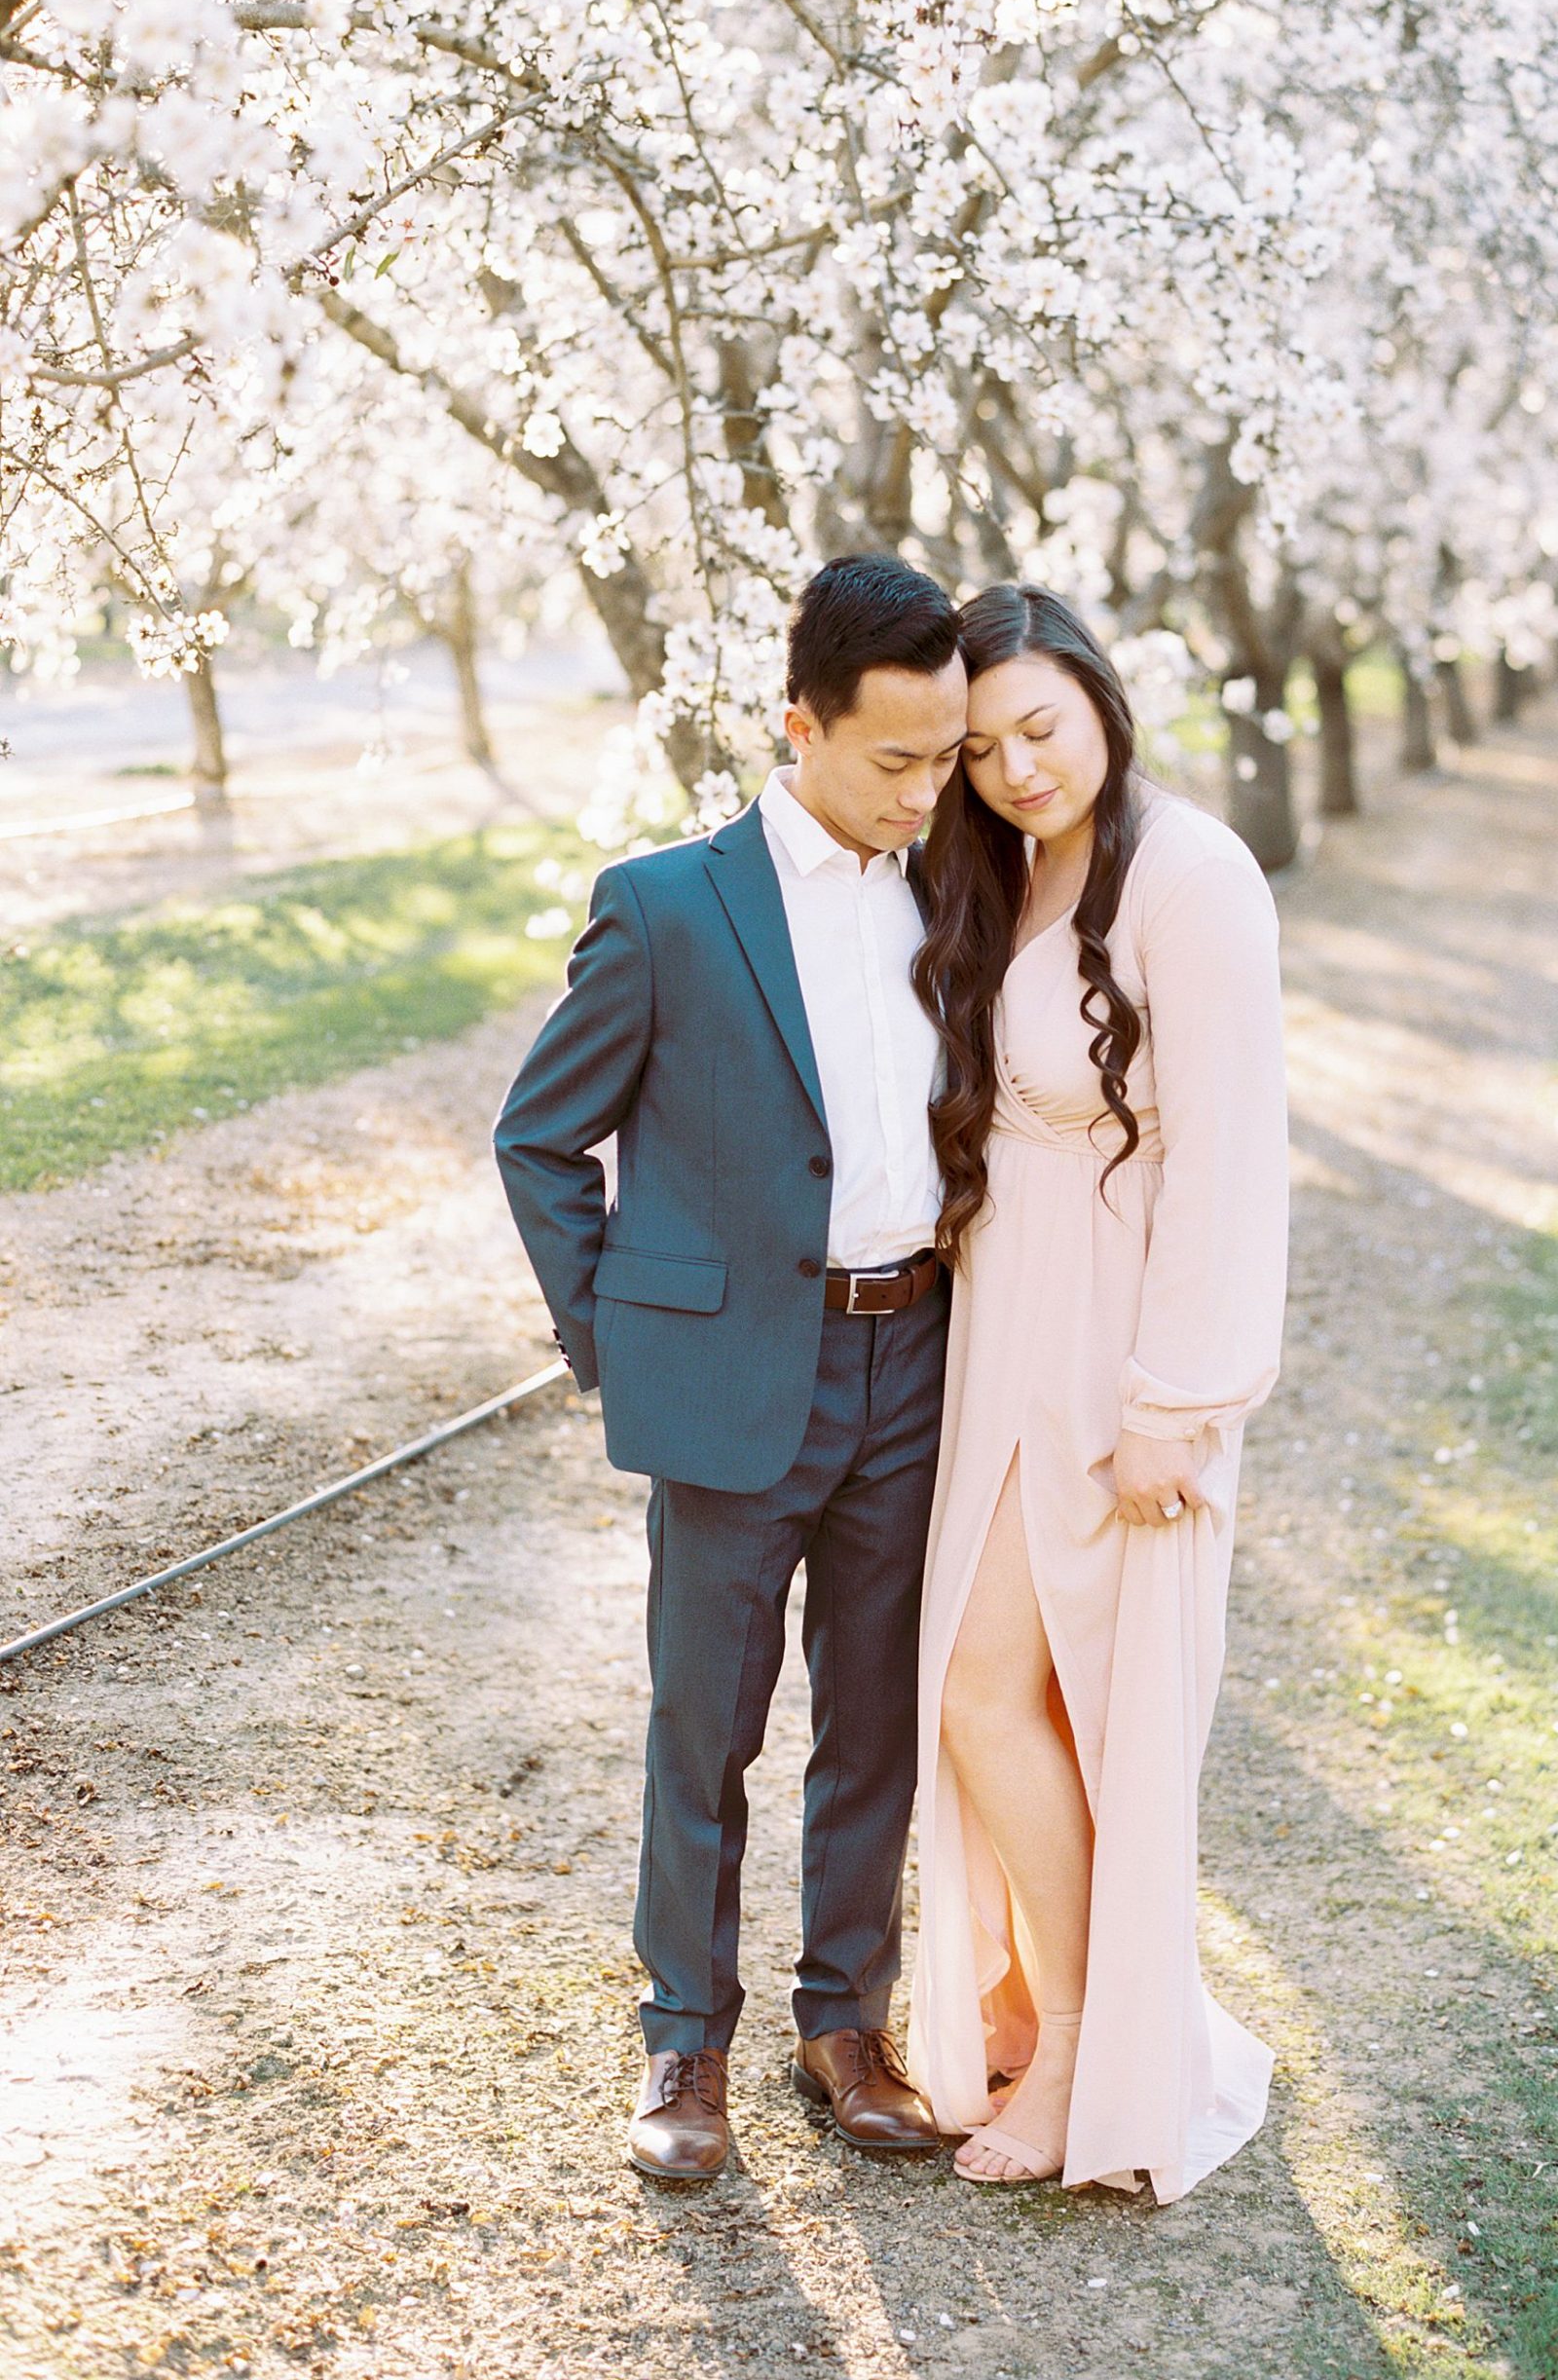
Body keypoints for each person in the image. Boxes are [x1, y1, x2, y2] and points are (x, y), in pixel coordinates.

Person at [494, 554, 967, 2183]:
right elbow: (540, 1136)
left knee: (876, 1717)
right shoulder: (665, 907)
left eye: (946, 759)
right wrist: (611, 1332)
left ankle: (846, 2022)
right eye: (892, 760)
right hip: (729, 1379)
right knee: (707, 1725)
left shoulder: (957, 891)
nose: (923, 794)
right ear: (797, 727)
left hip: (916, 1364)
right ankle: (681, 2043)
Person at [907, 582, 1289, 2201]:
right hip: (1006, 1335)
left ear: (1099, 699)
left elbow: (1224, 1158)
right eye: (980, 749)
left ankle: (1080, 2050)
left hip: (1123, 1356)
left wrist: (1177, 1403)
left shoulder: (1190, 877)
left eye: (1038, 727)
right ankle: (1035, 2001)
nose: (1014, 769)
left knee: (1005, 1690)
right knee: (1005, 1690)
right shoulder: (1005, 863)